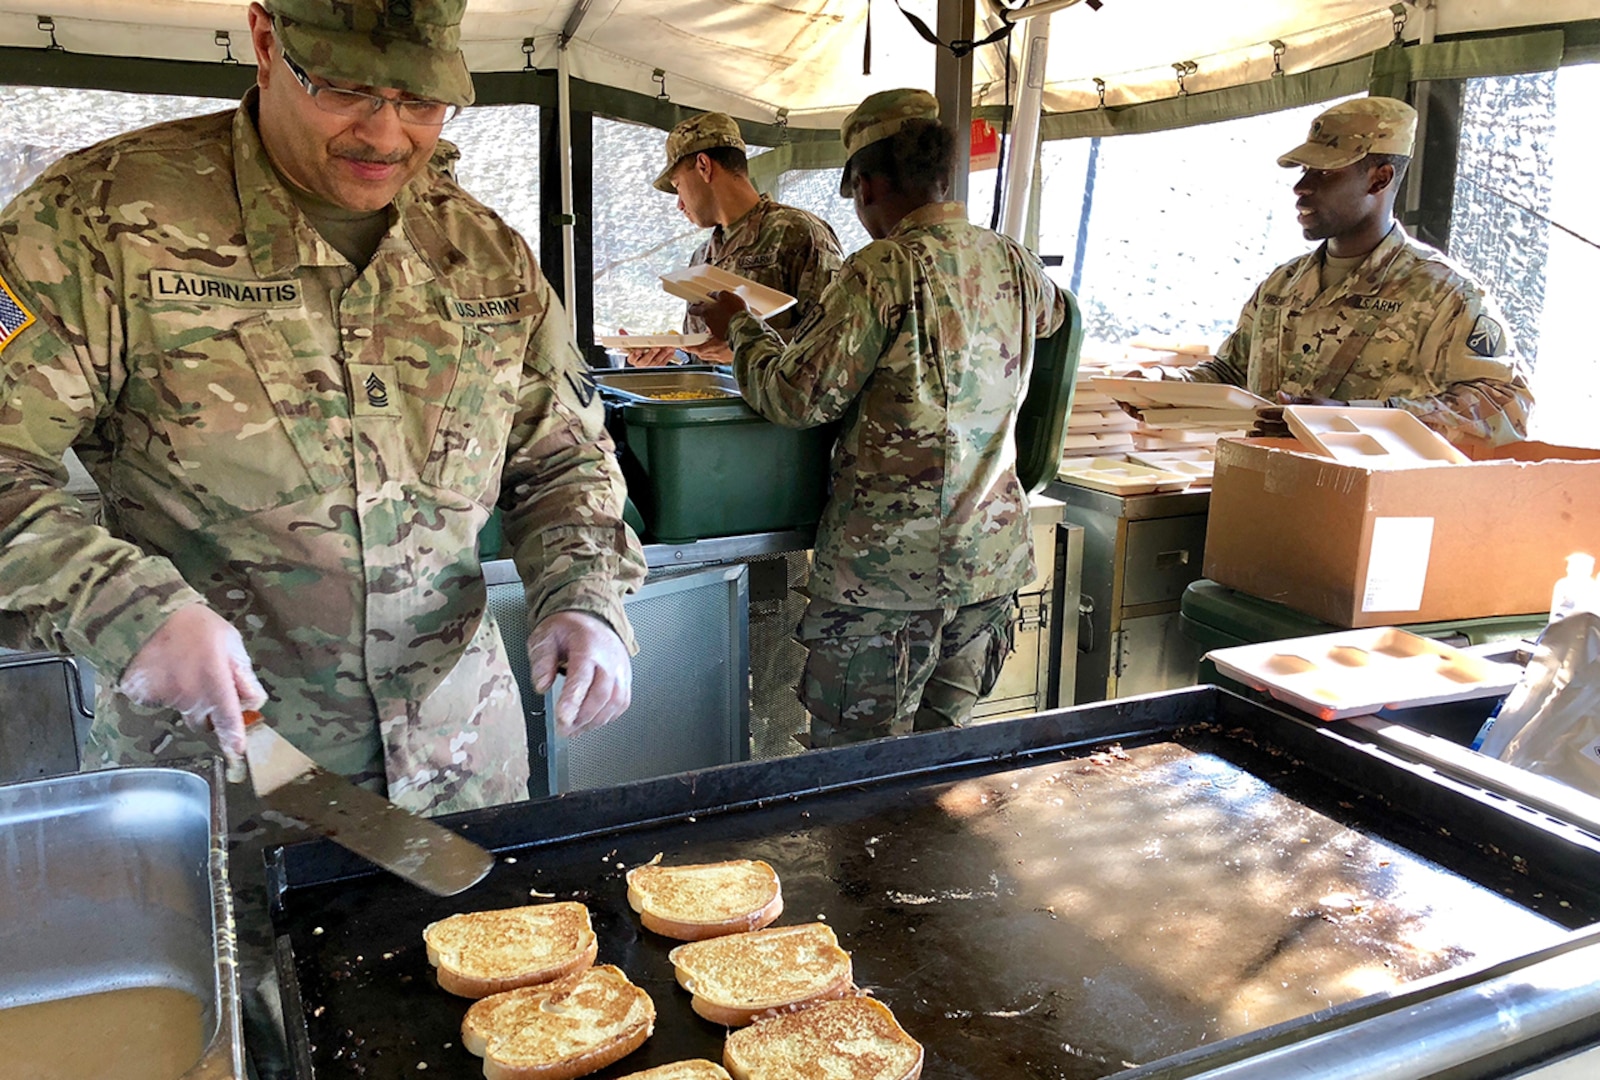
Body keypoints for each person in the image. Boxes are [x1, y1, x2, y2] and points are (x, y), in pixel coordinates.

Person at [0, 2, 645, 1073]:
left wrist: (585, 590)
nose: (387, 134)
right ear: (265, 39)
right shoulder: (96, 220)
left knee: (491, 1038)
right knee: (259, 1051)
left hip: (461, 776)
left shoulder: (480, 251)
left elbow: (561, 455)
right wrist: (127, 604)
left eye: (424, 98)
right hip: (230, 787)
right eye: (346, 87)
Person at [691, 89, 1069, 747]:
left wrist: (743, 331)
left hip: (885, 582)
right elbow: (1056, 318)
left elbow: (797, 398)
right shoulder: (1013, 260)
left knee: (851, 775)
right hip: (987, 566)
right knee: (945, 765)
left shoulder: (883, 269)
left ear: (866, 183)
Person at [1174, 96, 1533, 452]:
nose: (1301, 188)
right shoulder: (1282, 285)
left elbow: (1505, 408)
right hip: (1264, 486)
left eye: (1326, 171)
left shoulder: (1442, 294)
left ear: (1380, 179)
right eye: (1304, 170)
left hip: (1373, 500)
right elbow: (1230, 374)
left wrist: (1353, 418)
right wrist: (1160, 390)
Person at [626, 112, 844, 366]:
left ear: (704, 166)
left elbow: (837, 337)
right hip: (713, 404)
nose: (679, 204)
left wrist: (746, 345)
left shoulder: (796, 232)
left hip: (771, 406)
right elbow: (701, 355)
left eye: (677, 186)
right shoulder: (702, 257)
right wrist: (664, 356)